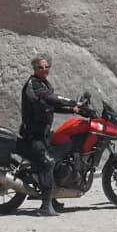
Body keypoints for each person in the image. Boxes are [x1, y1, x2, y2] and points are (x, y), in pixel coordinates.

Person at [19, 55, 81, 217]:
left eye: (47, 67)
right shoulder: (33, 85)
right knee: (47, 163)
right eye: (41, 67)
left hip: (44, 133)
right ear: (34, 69)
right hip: (33, 134)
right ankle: (45, 206)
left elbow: (50, 106)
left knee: (60, 157)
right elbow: (51, 99)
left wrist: (73, 110)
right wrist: (73, 102)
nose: (44, 70)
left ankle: (52, 198)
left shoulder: (44, 84)